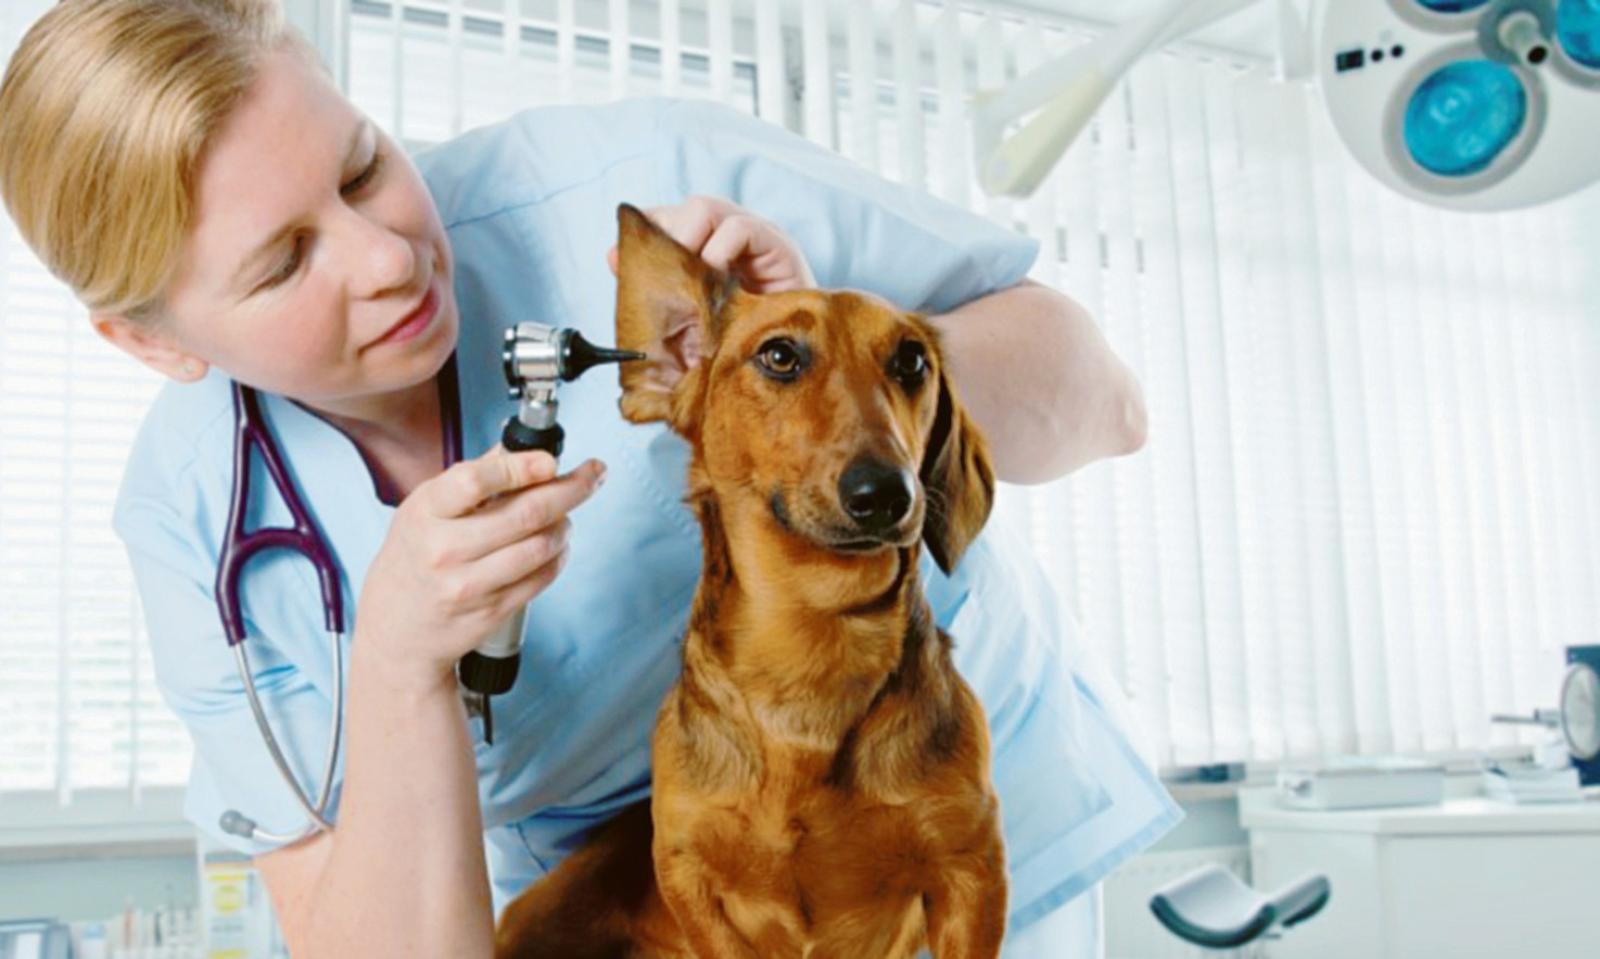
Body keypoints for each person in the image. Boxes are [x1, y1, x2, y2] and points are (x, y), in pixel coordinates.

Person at [0, 1, 1179, 955]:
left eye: (362, 170)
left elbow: (1104, 399)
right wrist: (400, 662)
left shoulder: (638, 194)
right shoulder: (197, 525)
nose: (386, 256)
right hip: (636, 896)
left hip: (922, 813)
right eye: (284, 261)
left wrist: (835, 388)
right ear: (155, 343)